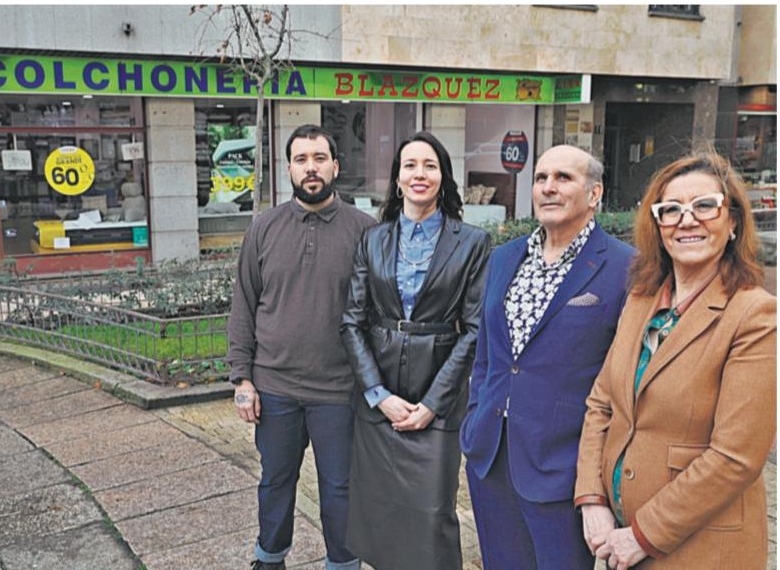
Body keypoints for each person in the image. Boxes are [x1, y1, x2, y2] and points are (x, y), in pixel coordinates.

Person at [575, 152, 776, 569]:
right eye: (671, 210)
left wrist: (643, 535)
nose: (687, 220)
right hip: (620, 538)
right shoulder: (642, 299)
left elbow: (735, 458)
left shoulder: (755, 315)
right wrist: (592, 497)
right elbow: (601, 403)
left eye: (705, 206)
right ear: (658, 225)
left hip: (699, 549)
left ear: (734, 221)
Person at [460, 145, 635, 569]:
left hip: (563, 467)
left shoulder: (625, 267)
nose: (548, 188)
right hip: (491, 456)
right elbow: (488, 352)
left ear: (594, 194)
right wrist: (475, 415)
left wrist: (597, 480)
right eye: (541, 178)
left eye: (563, 178)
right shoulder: (504, 258)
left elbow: (623, 380)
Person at [340, 131, 491, 570]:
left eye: (430, 165)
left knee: (431, 516)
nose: (419, 174)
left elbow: (475, 329)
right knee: (380, 512)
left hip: (436, 400)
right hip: (379, 400)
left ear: (443, 177)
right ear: (398, 178)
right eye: (410, 165)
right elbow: (352, 322)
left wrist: (431, 404)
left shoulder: (472, 242)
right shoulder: (373, 239)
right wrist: (378, 395)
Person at [227, 124, 375, 570]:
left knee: (340, 487)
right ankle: (269, 558)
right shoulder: (263, 228)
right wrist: (243, 378)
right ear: (288, 168)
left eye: (319, 158)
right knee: (275, 481)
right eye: (301, 159)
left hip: (339, 390)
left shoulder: (366, 231)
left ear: (336, 165)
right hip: (274, 388)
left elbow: (378, 315)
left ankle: (343, 563)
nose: (311, 168)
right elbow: (244, 305)